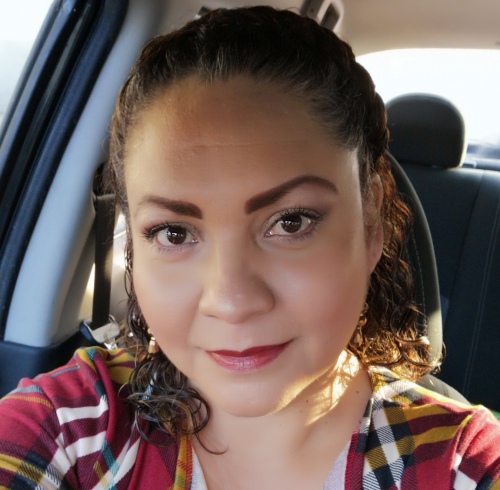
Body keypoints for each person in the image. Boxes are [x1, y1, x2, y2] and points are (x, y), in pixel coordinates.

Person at [0, 6, 499, 489]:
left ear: (370, 224)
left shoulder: (460, 463)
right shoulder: (70, 429)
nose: (232, 301)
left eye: (290, 222)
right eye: (174, 233)